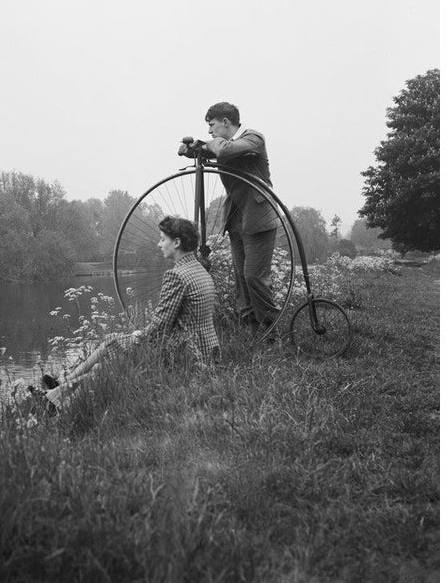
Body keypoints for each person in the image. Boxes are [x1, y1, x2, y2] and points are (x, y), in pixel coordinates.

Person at [42, 216, 219, 409]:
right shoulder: (200, 270)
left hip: (186, 355)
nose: (158, 244)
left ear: (176, 243)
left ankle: (57, 393)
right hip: (208, 350)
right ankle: (55, 395)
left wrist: (138, 334)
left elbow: (159, 327)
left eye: (162, 239)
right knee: (108, 356)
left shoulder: (176, 275)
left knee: (111, 344)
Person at [193, 101, 280, 332]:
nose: (210, 131)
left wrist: (208, 144)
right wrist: (193, 149)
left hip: (259, 217)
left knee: (254, 277)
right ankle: (250, 329)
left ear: (225, 122)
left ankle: (272, 331)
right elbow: (215, 150)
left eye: (212, 126)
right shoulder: (227, 143)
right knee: (242, 278)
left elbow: (224, 150)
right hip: (236, 218)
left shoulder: (254, 139)